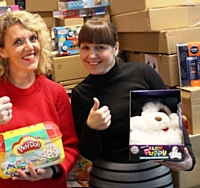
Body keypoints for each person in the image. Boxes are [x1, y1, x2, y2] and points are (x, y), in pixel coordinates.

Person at [71, 18, 196, 188]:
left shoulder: (143, 73)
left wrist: (189, 161)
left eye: (100, 47)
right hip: (107, 182)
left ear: (115, 48)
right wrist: (92, 128)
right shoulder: (80, 93)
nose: (91, 55)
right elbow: (89, 154)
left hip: (155, 181)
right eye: (85, 47)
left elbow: (174, 120)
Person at [0, 10, 79, 188]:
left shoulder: (56, 92)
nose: (30, 47)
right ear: (2, 51)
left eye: (33, 38)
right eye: (18, 42)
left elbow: (70, 147)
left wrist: (51, 171)